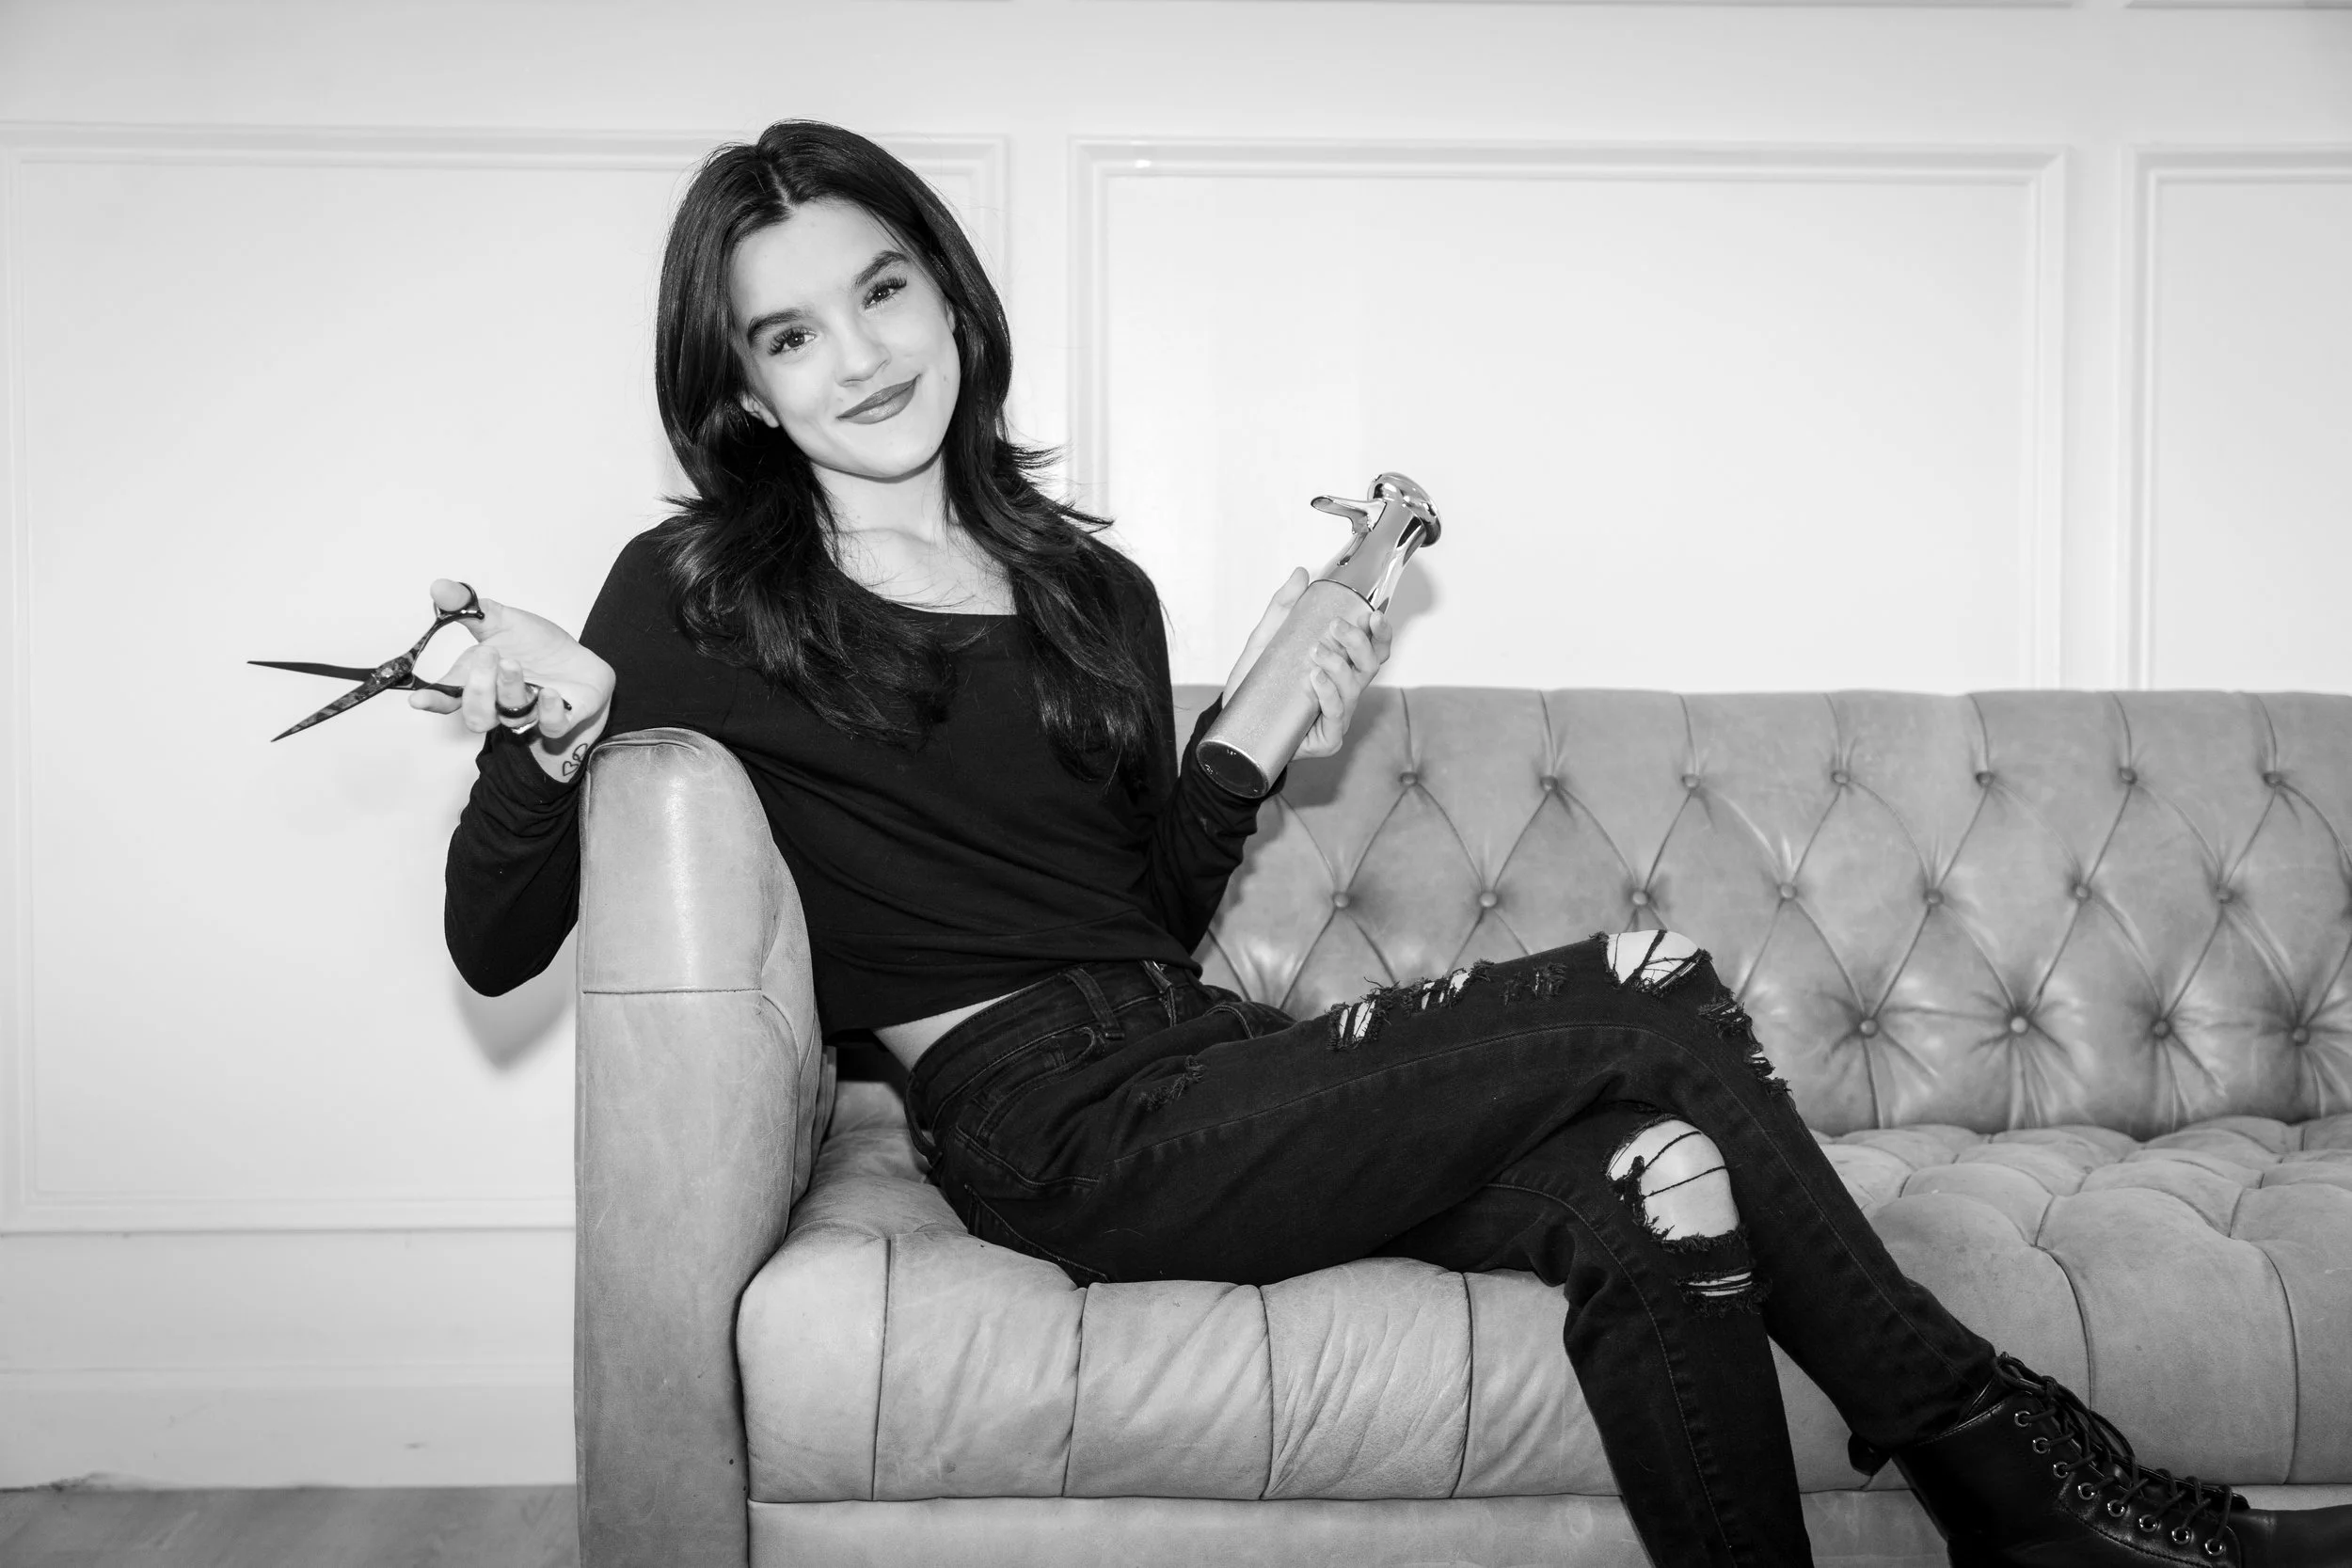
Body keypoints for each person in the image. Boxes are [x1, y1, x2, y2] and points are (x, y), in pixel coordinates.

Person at [426, 120, 2351, 1568]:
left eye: (880, 291)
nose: (855, 355)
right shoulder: (698, 593)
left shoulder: (1087, 587)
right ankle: (1996, 1468)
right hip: (1039, 1119)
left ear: (945, 292)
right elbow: (493, 939)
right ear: (740, 386)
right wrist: (548, 736)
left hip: (1199, 1060)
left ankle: (1973, 1492)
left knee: (1655, 1177)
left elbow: (1150, 905)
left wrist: (1253, 733)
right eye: (789, 332)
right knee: (1648, 990)